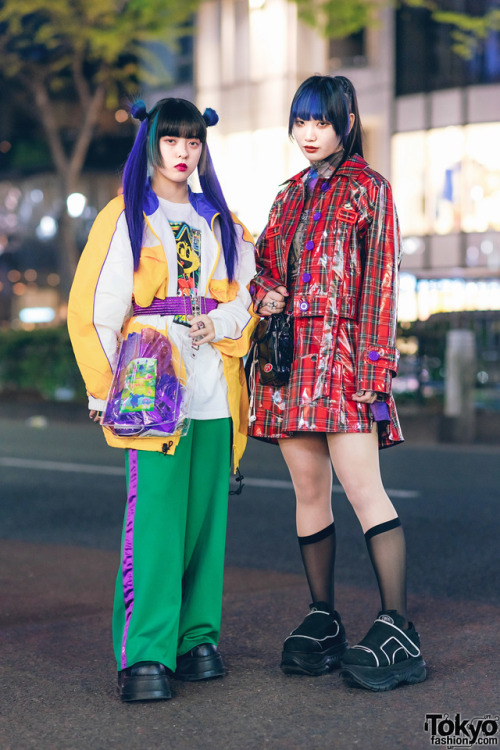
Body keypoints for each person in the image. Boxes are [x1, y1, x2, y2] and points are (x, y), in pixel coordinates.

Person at [68, 98, 257, 702]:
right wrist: (104, 389)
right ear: (151, 142)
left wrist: (222, 323)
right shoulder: (124, 217)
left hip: (212, 380)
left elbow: (248, 296)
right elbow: (95, 309)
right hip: (150, 379)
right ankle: (146, 652)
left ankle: (197, 639)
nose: (183, 153)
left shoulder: (222, 221)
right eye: (172, 141)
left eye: (193, 142)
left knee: (206, 518)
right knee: (154, 520)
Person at [247, 75, 426, 691]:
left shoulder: (370, 190)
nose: (307, 133)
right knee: (308, 490)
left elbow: (380, 286)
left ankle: (399, 628)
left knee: (363, 488)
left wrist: (376, 372)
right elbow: (264, 264)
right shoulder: (287, 195)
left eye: (319, 122)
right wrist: (263, 292)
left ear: (346, 122)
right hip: (291, 363)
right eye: (299, 122)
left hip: (346, 362)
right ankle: (324, 618)